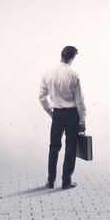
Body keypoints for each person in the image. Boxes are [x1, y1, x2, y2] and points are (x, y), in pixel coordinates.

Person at [39, 46, 87, 189]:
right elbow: (79, 102)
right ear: (72, 58)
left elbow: (41, 97)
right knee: (70, 148)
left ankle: (50, 181)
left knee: (53, 147)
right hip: (72, 114)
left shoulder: (48, 73)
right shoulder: (74, 75)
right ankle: (66, 181)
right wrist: (82, 120)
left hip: (57, 115)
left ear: (61, 55)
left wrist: (51, 113)